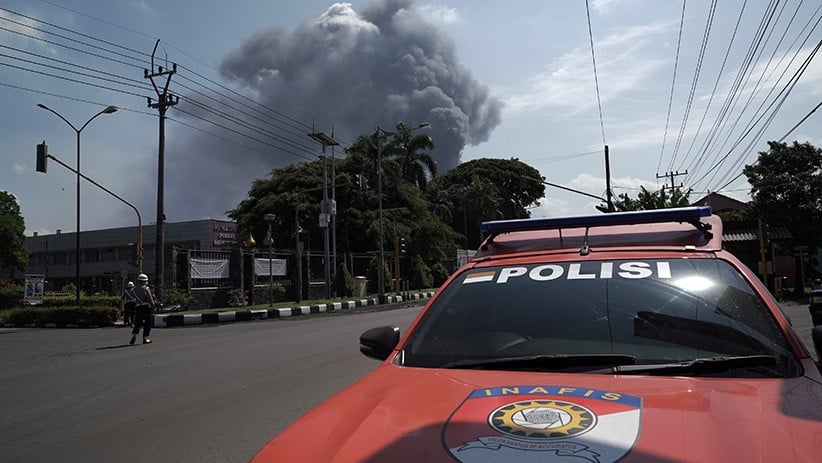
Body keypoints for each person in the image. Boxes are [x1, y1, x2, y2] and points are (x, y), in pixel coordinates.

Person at [129, 274, 156, 345]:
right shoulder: (146, 289)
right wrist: (153, 307)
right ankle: (145, 338)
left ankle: (134, 335)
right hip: (146, 307)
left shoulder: (134, 289)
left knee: (137, 323)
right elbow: (150, 299)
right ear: (145, 281)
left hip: (138, 307)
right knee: (147, 323)